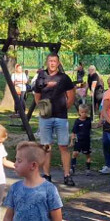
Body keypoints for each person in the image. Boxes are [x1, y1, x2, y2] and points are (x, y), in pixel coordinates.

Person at [32, 54, 76, 186]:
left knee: (63, 146)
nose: (52, 63)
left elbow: (71, 96)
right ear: (47, 62)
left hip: (61, 117)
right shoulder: (41, 77)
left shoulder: (64, 78)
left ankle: (67, 175)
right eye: (50, 61)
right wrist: (42, 108)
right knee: (46, 147)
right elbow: (37, 95)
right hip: (46, 117)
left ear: (58, 63)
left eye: (54, 61)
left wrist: (64, 107)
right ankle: (47, 175)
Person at [71, 105, 93, 174]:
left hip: (86, 141)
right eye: (82, 112)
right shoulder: (77, 121)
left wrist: (100, 124)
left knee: (87, 155)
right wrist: (72, 141)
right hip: (78, 140)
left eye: (85, 112)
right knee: (75, 153)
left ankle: (88, 169)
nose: (84, 113)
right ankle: (72, 168)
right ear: (79, 112)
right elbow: (73, 132)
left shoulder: (89, 120)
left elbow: (92, 126)